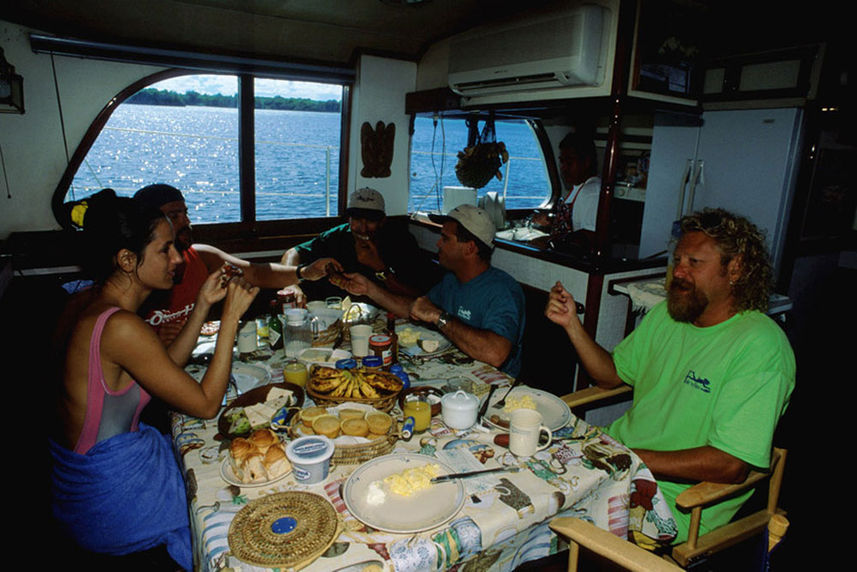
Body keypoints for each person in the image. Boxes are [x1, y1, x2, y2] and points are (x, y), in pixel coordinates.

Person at [545, 207, 795, 543]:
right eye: (677, 260)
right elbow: (611, 376)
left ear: (735, 268)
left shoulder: (761, 347)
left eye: (695, 263)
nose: (678, 272)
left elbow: (730, 464)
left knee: (541, 529)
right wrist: (572, 325)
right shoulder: (667, 315)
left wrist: (625, 457)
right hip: (618, 457)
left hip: (672, 501)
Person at [49, 189, 258, 568]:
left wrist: (203, 305)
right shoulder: (120, 327)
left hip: (92, 481)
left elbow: (163, 368)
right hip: (109, 501)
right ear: (128, 260)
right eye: (165, 249)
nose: (178, 258)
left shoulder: (104, 308)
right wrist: (230, 318)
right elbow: (207, 404)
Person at [340, 204, 525, 377]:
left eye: (445, 239)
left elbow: (495, 354)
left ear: (470, 248)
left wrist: (440, 317)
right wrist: (369, 288)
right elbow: (416, 308)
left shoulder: (502, 291)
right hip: (455, 368)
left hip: (494, 384)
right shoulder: (452, 280)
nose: (438, 244)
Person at [133, 183, 331, 344]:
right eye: (174, 216)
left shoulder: (201, 256)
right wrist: (152, 340)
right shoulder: (132, 275)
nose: (186, 221)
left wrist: (305, 272)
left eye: (185, 213)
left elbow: (256, 273)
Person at [280, 187, 443, 305]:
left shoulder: (400, 241)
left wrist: (380, 270)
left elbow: (420, 296)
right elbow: (292, 253)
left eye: (370, 221)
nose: (363, 228)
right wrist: (291, 284)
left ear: (382, 221)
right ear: (349, 220)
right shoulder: (337, 237)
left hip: (388, 313)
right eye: (357, 220)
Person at [533, 130, 601, 240]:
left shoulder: (591, 192)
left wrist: (549, 241)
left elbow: (589, 237)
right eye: (562, 161)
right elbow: (573, 222)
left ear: (586, 162)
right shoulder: (578, 187)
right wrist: (550, 221)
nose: (563, 168)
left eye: (569, 162)